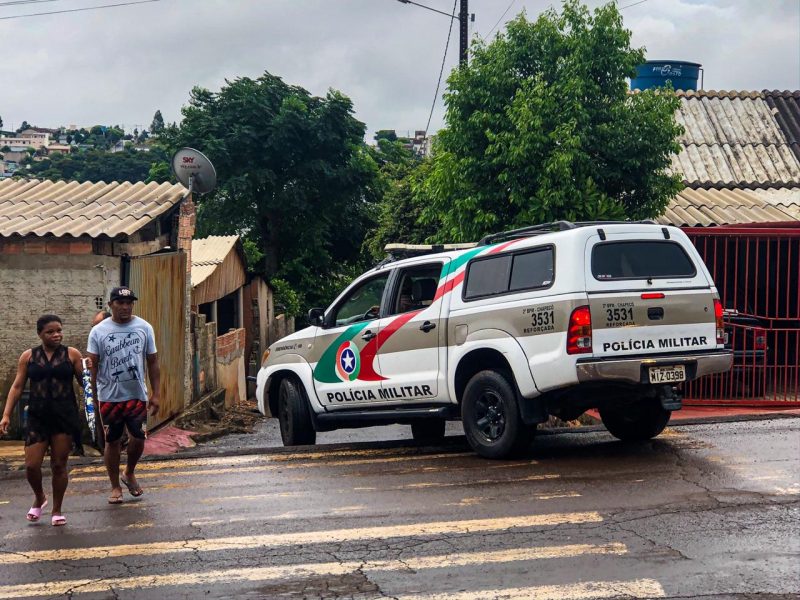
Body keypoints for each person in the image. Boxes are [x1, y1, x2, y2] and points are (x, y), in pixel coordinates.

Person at [0, 315, 85, 526]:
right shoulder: (28, 357)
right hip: (38, 416)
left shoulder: (71, 354)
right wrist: (6, 414)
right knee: (31, 465)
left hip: (64, 416)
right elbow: (17, 386)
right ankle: (40, 497)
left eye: (59, 330)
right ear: (40, 334)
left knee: (59, 465)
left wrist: (90, 371)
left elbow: (86, 384)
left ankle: (57, 509)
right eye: (50, 332)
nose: (56, 335)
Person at [87, 287, 160, 504]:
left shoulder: (144, 327)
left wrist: (156, 394)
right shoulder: (99, 331)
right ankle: (115, 486)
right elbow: (92, 366)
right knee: (113, 441)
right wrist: (91, 399)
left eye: (129, 303)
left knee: (138, 437)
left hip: (137, 394)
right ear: (110, 305)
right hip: (109, 396)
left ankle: (129, 472)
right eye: (120, 302)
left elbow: (153, 362)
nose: (125, 307)